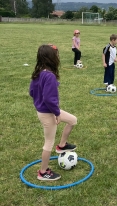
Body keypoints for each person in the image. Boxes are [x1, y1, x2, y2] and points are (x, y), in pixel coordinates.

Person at [29, 44, 77, 181]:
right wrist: (56, 113)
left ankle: (62, 145)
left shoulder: (38, 73)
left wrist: (41, 104)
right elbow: (49, 99)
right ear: (51, 58)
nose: (58, 57)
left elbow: (32, 92)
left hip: (46, 110)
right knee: (48, 143)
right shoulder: (48, 76)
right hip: (48, 113)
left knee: (73, 120)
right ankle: (43, 172)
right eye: (56, 54)